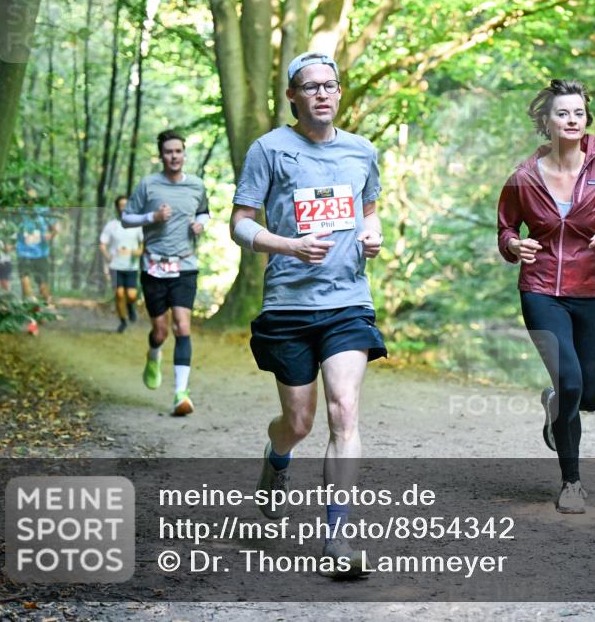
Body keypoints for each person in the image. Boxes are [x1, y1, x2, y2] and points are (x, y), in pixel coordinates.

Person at [230, 51, 385, 577]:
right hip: (289, 306)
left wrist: (373, 233)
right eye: (310, 86)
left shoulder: (362, 151)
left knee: (344, 411)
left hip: (347, 302)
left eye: (331, 85)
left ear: (340, 93)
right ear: (293, 96)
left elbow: (370, 210)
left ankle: (337, 539)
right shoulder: (269, 149)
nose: (322, 93)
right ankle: (277, 460)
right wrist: (289, 247)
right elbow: (241, 224)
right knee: (298, 422)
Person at [496, 79, 595, 514]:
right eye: (562, 113)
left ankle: (554, 405)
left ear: (585, 120)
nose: (571, 120)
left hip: (590, 289)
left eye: (578, 113)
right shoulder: (522, 178)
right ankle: (571, 482)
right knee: (570, 380)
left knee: (589, 395)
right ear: (546, 122)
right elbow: (505, 230)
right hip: (540, 291)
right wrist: (514, 246)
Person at [123, 130, 210, 416]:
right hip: (153, 266)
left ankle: (180, 394)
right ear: (161, 155)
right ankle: (153, 353)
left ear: (184, 154)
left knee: (182, 327)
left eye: (178, 151)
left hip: (185, 265)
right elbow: (126, 219)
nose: (174, 156)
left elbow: (204, 212)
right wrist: (153, 217)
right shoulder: (148, 185)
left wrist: (201, 224)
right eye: (169, 152)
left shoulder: (196, 185)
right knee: (160, 331)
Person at [100, 195, 144, 333]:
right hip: (115, 266)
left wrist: (138, 251)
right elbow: (102, 244)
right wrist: (108, 256)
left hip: (131, 266)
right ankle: (123, 321)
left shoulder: (137, 225)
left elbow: (143, 244)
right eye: (121, 205)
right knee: (119, 294)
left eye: (127, 205)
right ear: (117, 208)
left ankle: (131, 306)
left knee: (131, 295)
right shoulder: (112, 225)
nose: (124, 208)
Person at [15, 188, 57, 305]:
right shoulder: (19, 212)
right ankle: (33, 308)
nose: (31, 202)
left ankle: (49, 306)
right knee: (24, 279)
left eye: (33, 199)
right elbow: (9, 226)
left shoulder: (44, 211)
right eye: (28, 199)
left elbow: (54, 229)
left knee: (42, 283)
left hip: (41, 253)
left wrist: (50, 235)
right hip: (23, 252)